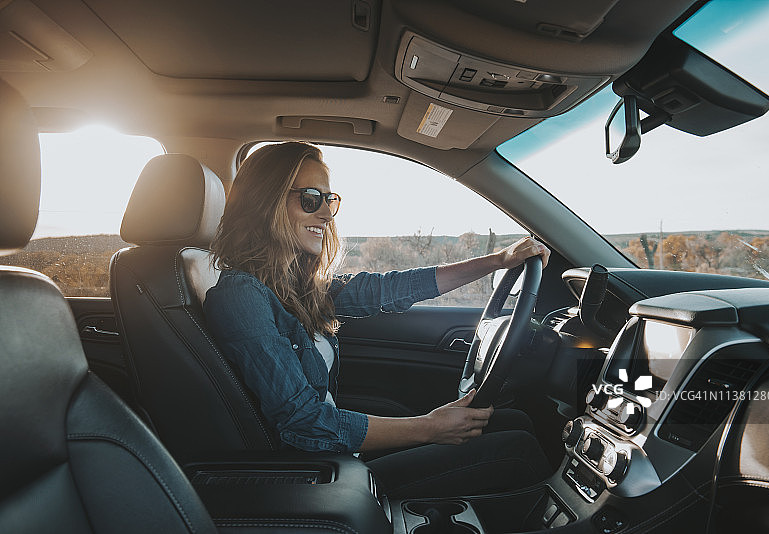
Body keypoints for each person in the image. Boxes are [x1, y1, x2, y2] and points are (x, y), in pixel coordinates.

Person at [204, 141, 553, 498]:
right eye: (310, 198)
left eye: (329, 200)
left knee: (514, 423)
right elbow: (305, 424)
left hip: (338, 454)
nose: (326, 213)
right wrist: (429, 427)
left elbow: (389, 289)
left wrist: (496, 261)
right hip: (314, 476)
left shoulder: (297, 287)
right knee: (516, 451)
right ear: (266, 203)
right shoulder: (241, 296)